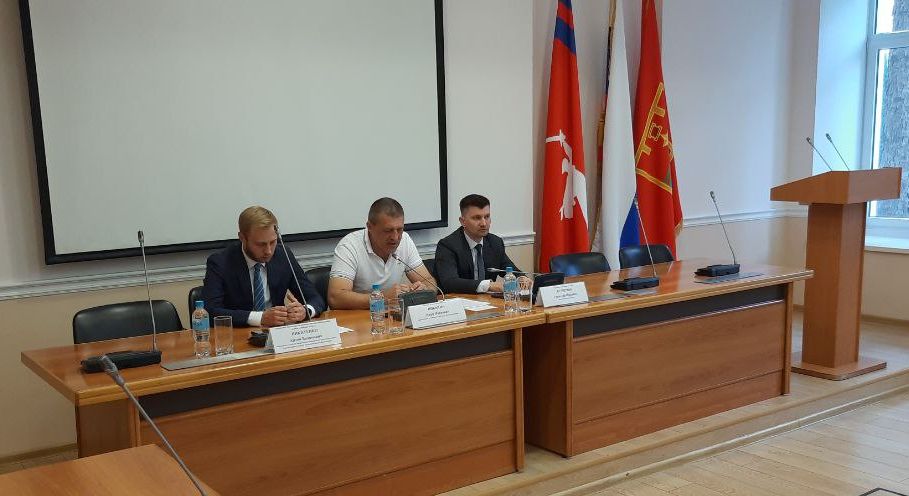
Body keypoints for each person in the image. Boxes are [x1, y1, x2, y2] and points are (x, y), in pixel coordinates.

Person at [203, 206, 325, 327]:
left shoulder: (283, 255)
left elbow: (316, 299)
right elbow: (211, 311)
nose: (268, 251)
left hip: (277, 333)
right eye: (260, 244)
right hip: (239, 333)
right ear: (242, 238)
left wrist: (305, 311)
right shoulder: (220, 262)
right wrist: (260, 318)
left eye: (272, 242)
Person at [328, 197, 435, 310]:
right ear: (369, 227)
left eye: (400, 229)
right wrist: (381, 298)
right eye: (388, 230)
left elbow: (430, 282)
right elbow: (335, 298)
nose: (395, 237)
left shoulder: (405, 241)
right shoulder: (349, 246)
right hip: (359, 316)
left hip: (391, 316)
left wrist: (424, 290)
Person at [434, 194, 525, 294]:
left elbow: (510, 270)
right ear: (463, 221)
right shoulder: (448, 246)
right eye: (477, 218)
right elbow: (450, 282)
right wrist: (488, 286)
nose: (483, 223)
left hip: (488, 301)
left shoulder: (495, 242)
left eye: (487, 217)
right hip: (459, 300)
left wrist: (522, 278)